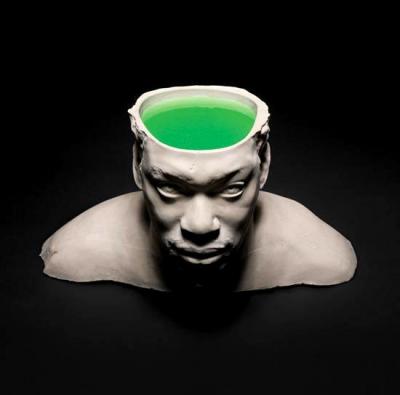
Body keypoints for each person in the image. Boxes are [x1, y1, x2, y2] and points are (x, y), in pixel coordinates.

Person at [40, 86, 357, 292]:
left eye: (232, 189)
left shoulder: (320, 254)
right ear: (138, 164)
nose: (200, 226)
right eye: (169, 187)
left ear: (263, 165)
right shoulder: (78, 248)